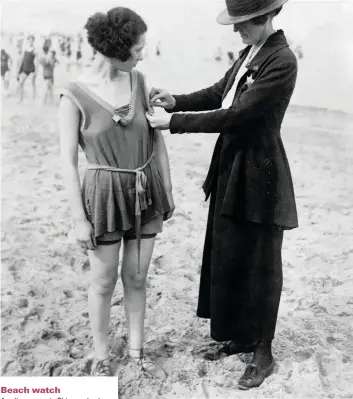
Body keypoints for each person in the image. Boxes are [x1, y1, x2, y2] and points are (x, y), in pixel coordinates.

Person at [147, 0, 298, 390]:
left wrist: (173, 123)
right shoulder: (252, 52)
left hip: (261, 170)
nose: (236, 31)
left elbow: (236, 115)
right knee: (230, 251)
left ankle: (263, 352)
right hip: (234, 165)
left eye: (242, 24)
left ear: (265, 18)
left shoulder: (282, 60)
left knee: (263, 261)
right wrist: (177, 101)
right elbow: (219, 94)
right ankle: (242, 336)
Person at [59, 7, 175, 377]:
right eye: (137, 48)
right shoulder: (73, 95)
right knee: (104, 280)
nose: (142, 54)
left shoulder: (140, 82)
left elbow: (157, 142)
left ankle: (137, 352)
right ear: (117, 48)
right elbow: (67, 163)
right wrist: (79, 219)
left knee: (138, 277)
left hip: (146, 191)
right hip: (104, 196)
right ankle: (101, 355)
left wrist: (167, 191)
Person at [17, 35, 37, 102]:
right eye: (29, 40)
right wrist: (19, 70)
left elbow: (37, 61)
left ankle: (34, 99)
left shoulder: (35, 49)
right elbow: (22, 59)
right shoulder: (25, 49)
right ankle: (21, 98)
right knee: (20, 83)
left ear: (33, 41)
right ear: (28, 40)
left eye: (32, 40)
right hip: (25, 69)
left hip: (32, 69)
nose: (30, 41)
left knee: (33, 84)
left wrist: (36, 72)